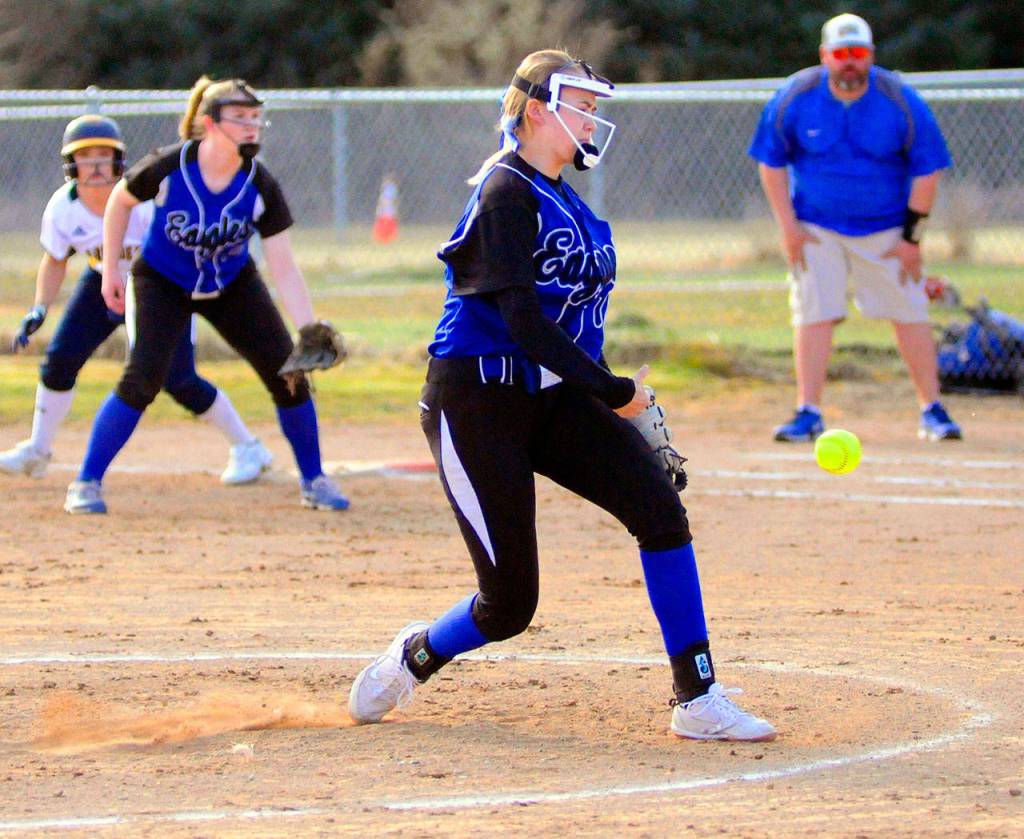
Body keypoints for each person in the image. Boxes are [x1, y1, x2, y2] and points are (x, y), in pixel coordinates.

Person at [348, 50, 776, 742]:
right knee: (510, 604)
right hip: (475, 401)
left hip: (550, 395)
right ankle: (418, 653)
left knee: (660, 511)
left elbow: (574, 325)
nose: (593, 118)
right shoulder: (504, 192)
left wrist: (608, 404)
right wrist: (615, 393)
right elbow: (521, 320)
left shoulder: (563, 197)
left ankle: (697, 696)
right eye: (582, 104)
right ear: (538, 110)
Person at [63, 77, 349, 514]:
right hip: (162, 282)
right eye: (239, 118)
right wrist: (110, 274)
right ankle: (86, 483)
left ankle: (315, 480)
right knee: (144, 378)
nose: (252, 127)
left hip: (232, 285)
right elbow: (120, 202)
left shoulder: (260, 184)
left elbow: (284, 266)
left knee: (289, 374)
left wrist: (307, 327)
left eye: (256, 118)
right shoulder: (170, 166)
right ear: (210, 124)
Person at [1, 114, 272, 485]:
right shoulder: (63, 206)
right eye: (85, 156)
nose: (95, 165)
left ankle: (248, 446)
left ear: (119, 160)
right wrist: (39, 307)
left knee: (178, 378)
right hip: (103, 280)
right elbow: (55, 260)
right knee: (60, 360)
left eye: (104, 155)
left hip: (158, 289)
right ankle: (37, 450)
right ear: (70, 163)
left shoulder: (140, 201)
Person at [749, 13, 962, 443]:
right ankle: (808, 412)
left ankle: (933, 410)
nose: (850, 62)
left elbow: (927, 171)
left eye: (858, 54)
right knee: (812, 312)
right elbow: (770, 162)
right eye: (841, 54)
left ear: (871, 57)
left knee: (909, 310)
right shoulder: (797, 94)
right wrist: (789, 229)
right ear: (825, 56)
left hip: (885, 228)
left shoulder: (898, 98)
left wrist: (911, 239)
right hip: (816, 227)